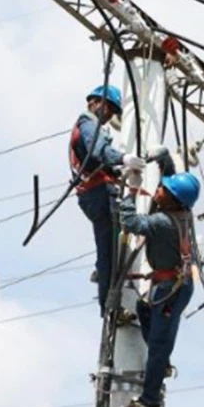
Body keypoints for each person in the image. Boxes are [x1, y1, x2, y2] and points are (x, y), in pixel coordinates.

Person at [117, 148, 201, 407]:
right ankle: (160, 362)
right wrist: (162, 158)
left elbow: (129, 222)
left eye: (163, 190)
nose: (158, 191)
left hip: (171, 289)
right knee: (143, 311)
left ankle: (150, 399)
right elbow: (172, 179)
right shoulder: (182, 209)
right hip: (175, 284)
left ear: (172, 199)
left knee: (158, 343)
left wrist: (131, 191)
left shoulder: (162, 223)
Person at [70, 85, 144, 315]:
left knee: (110, 250)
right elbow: (97, 151)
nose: (110, 115)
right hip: (98, 195)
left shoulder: (89, 126)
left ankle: (103, 275)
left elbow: (98, 159)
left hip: (96, 193)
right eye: (109, 108)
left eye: (113, 111)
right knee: (109, 255)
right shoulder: (88, 125)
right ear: (94, 102)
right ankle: (109, 307)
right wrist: (123, 158)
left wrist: (116, 169)